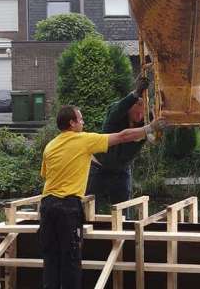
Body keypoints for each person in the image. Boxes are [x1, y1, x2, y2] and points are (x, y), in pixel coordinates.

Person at [39, 104, 165, 289]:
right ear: (72, 123)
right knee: (71, 259)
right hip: (67, 207)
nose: (83, 122)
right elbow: (122, 136)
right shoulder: (83, 140)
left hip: (47, 206)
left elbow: (47, 175)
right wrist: (150, 128)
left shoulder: (50, 146)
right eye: (80, 119)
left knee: (50, 258)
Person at [86, 76, 151, 206]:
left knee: (123, 207)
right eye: (136, 113)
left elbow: (155, 135)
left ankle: (122, 225)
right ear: (129, 108)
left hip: (121, 170)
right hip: (99, 167)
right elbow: (120, 110)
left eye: (142, 114)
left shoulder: (148, 120)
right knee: (89, 206)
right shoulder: (116, 113)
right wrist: (135, 93)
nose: (140, 117)